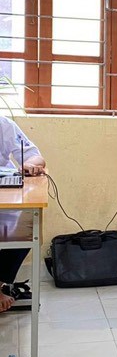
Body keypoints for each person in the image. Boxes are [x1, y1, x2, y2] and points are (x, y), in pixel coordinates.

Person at [0, 118, 45, 316]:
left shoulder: (3, 125)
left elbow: (35, 156)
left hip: (4, 198)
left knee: (27, 226)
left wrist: (30, 164)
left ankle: (0, 282)